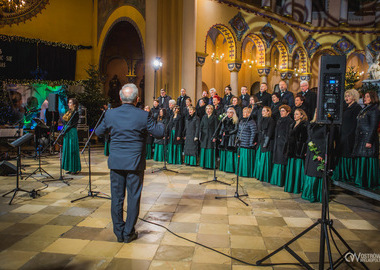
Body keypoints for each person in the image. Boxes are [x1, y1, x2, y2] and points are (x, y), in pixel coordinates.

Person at [95, 83, 164, 243]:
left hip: (116, 163)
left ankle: (119, 233)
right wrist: (160, 120)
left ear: (120, 98)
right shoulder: (143, 115)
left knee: (117, 198)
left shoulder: (110, 115)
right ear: (137, 99)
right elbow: (159, 133)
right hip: (135, 163)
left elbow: (98, 132)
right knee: (133, 198)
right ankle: (128, 233)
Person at [332, 89, 362, 183]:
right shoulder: (345, 107)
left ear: (354, 97)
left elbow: (355, 124)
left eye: (349, 96)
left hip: (349, 135)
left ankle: (347, 174)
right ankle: (340, 174)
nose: (346, 98)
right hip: (342, 133)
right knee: (340, 153)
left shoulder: (357, 108)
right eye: (346, 96)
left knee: (346, 154)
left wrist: (349, 135)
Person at [352, 91, 380, 189]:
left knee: (367, 159)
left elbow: (373, 126)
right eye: (365, 97)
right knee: (361, 158)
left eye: (367, 97)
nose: (365, 98)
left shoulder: (374, 109)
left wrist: (369, 140)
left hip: (368, 138)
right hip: (361, 137)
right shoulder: (365, 109)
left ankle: (368, 182)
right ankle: (360, 180)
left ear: (373, 98)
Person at [284, 109, 308, 194]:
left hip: (298, 152)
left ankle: (297, 187)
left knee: (297, 170)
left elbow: (304, 140)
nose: (295, 116)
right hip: (291, 150)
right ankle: (290, 186)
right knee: (291, 169)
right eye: (294, 114)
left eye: (297, 114)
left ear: (302, 115)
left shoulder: (304, 125)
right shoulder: (292, 124)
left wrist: (301, 152)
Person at [302, 119, 327, 203]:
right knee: (309, 172)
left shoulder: (325, 126)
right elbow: (309, 138)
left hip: (318, 152)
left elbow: (326, 141)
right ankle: (308, 193)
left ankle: (315, 195)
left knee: (315, 172)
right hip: (310, 151)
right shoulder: (312, 124)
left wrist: (322, 154)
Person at [270, 105, 294, 187]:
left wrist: (284, 143)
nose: (281, 112)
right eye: (280, 111)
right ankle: (275, 180)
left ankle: (280, 181)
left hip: (283, 144)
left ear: (288, 112)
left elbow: (288, 135)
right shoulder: (279, 120)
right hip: (277, 143)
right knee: (277, 161)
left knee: (281, 161)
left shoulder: (289, 121)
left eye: (283, 111)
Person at [253, 106, 275, 182]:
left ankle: (264, 176)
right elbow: (258, 131)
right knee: (259, 159)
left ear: (268, 112)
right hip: (260, 141)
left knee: (264, 160)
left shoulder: (271, 120)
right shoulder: (261, 119)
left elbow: (269, 133)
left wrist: (265, 143)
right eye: (262, 111)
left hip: (267, 143)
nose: (262, 112)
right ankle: (258, 174)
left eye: (264, 111)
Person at [62, 98, 81, 175]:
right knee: (67, 150)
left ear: (74, 104)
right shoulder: (68, 112)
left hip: (72, 132)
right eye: (68, 103)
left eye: (70, 103)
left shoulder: (76, 113)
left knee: (72, 149)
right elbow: (64, 121)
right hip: (67, 131)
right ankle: (69, 167)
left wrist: (65, 130)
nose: (68, 104)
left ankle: (74, 168)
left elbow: (72, 124)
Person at [236, 107, 257, 177]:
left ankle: (247, 173)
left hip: (247, 144)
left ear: (249, 113)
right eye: (243, 112)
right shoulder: (242, 121)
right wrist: (237, 139)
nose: (243, 114)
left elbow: (253, 133)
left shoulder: (252, 122)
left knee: (246, 160)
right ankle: (241, 172)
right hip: (241, 143)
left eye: (245, 112)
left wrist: (251, 143)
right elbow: (239, 131)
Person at [219, 107, 239, 173]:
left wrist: (228, 133)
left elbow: (236, 129)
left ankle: (230, 168)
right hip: (225, 137)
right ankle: (223, 167)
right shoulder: (224, 120)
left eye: (230, 112)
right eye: (228, 112)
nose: (229, 114)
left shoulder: (235, 120)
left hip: (231, 137)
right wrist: (220, 135)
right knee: (224, 151)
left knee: (230, 152)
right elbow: (222, 128)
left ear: (233, 113)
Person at [199, 105, 218, 169]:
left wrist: (214, 136)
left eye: (210, 109)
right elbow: (201, 126)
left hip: (211, 135)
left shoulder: (214, 117)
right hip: (204, 136)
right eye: (207, 109)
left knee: (210, 149)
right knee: (204, 148)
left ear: (212, 110)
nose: (208, 110)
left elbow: (216, 128)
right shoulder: (204, 117)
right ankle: (204, 164)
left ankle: (210, 165)